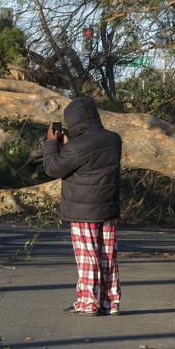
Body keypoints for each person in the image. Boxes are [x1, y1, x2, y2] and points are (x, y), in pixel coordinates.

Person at [43, 96, 122, 316]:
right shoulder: (114, 139)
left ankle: (88, 303)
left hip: (83, 211)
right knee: (108, 256)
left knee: (88, 256)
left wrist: (51, 142)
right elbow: (89, 159)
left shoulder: (77, 147)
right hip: (108, 207)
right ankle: (110, 303)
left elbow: (53, 168)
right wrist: (70, 145)